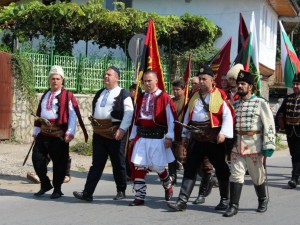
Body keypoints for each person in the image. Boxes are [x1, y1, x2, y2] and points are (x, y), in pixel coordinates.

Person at [167, 64, 234, 211]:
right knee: (190, 168)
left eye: (204, 79)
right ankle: (182, 201)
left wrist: (223, 133)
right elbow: (187, 116)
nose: (202, 82)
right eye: (200, 79)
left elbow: (227, 116)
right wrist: (185, 134)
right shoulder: (194, 97)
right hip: (197, 139)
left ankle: (224, 200)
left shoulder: (220, 94)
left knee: (221, 169)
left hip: (213, 139)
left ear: (212, 80)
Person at [73, 66, 134, 202]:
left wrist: (122, 130)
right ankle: (87, 193)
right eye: (105, 74)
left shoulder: (124, 94)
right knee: (97, 164)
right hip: (100, 134)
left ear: (116, 78)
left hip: (115, 133)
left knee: (118, 162)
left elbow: (129, 114)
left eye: (109, 75)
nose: (106, 76)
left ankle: (121, 190)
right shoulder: (100, 92)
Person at [223, 70, 276, 217]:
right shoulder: (235, 104)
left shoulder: (260, 103)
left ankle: (262, 199)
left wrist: (268, 146)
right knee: (235, 175)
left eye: (243, 84)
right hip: (237, 145)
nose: (239, 86)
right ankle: (233, 205)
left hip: (254, 145)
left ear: (250, 86)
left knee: (257, 176)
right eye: (238, 83)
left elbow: (269, 125)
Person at [32, 65, 88, 199]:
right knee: (37, 159)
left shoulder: (67, 95)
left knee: (59, 163)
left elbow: (73, 115)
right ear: (49, 80)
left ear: (62, 80)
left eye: (57, 78)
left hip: (59, 135)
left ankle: (57, 189)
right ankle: (45, 184)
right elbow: (39, 113)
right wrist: (36, 130)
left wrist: (70, 132)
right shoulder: (45, 94)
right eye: (52, 78)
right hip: (44, 134)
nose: (55, 81)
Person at [128, 70, 176, 206]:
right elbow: (135, 120)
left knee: (159, 167)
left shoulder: (164, 97)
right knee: (139, 166)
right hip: (141, 137)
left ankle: (168, 186)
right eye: (145, 81)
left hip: (157, 138)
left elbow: (171, 118)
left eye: (150, 81)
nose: (147, 83)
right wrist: (132, 137)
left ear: (156, 81)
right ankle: (139, 196)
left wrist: (170, 136)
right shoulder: (140, 97)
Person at [276, 72, 300, 189]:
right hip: (290, 131)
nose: (295, 86)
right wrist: (277, 125)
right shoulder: (288, 98)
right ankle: (297, 175)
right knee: (293, 154)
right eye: (294, 84)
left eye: (297, 84)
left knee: (298, 154)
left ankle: (294, 178)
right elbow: (280, 112)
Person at [168, 80, 187, 185]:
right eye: (174, 89)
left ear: (183, 90)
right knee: (171, 156)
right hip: (172, 132)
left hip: (183, 132)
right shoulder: (170, 101)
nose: (175, 92)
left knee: (182, 156)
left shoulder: (187, 101)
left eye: (178, 90)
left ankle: (188, 177)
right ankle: (172, 176)